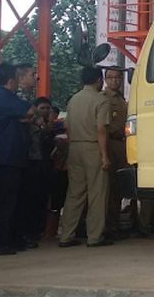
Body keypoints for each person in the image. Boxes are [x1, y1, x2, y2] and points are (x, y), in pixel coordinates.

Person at [57, 67, 113, 249]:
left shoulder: (74, 100)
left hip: (75, 147)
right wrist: (104, 155)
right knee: (97, 193)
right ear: (99, 80)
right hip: (92, 148)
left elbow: (68, 126)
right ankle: (94, 236)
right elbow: (101, 129)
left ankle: (66, 235)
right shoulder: (100, 100)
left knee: (74, 193)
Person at [0, 63, 32, 256]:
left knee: (9, 201)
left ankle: (7, 239)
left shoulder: (1, 98)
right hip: (3, 157)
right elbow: (28, 112)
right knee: (2, 201)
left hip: (7, 157)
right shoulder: (3, 96)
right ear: (12, 80)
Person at [17, 97, 56, 246]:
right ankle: (28, 232)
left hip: (45, 165)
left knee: (42, 199)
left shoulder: (49, 126)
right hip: (32, 164)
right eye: (42, 108)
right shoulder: (30, 126)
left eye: (47, 108)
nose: (45, 111)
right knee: (30, 200)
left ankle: (37, 230)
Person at [103, 68, 130, 240]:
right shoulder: (104, 98)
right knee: (109, 188)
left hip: (122, 145)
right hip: (110, 142)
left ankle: (114, 224)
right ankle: (107, 227)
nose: (115, 81)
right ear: (105, 80)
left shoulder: (121, 99)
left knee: (119, 186)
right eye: (111, 78)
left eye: (118, 78)